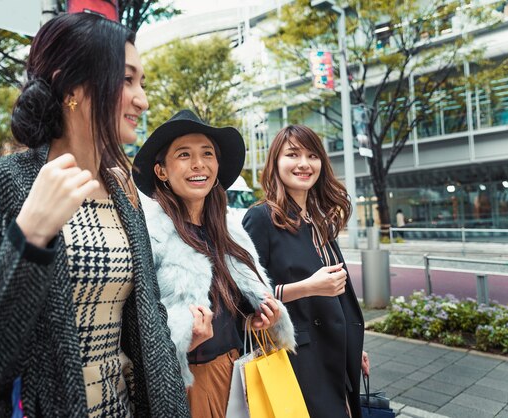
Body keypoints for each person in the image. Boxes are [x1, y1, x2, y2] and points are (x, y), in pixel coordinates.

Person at [0, 14, 189, 418]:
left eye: (142, 83)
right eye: (126, 80)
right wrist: (29, 237)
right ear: (72, 86)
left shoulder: (124, 191)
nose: (143, 99)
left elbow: (146, 321)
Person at [132, 110, 296, 418]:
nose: (198, 164)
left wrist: (260, 316)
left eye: (207, 153)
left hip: (241, 375)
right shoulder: (150, 237)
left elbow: (236, 308)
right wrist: (181, 341)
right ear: (162, 171)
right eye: (184, 154)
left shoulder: (231, 231)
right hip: (190, 384)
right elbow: (136, 326)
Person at [242, 125, 370, 418]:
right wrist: (307, 287)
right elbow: (243, 295)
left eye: (312, 155)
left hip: (337, 351)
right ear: (275, 162)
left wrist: (354, 344)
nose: (303, 163)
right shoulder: (261, 218)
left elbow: (337, 295)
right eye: (292, 154)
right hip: (298, 357)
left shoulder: (318, 219)